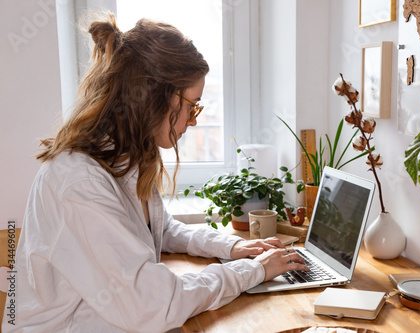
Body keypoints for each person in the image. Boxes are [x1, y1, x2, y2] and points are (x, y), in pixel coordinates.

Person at [2, 13, 308, 333]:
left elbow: (160, 229)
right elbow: (155, 306)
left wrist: (230, 248)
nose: (194, 121)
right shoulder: (78, 183)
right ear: (156, 97)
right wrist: (251, 271)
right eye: (193, 106)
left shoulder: (126, 158)